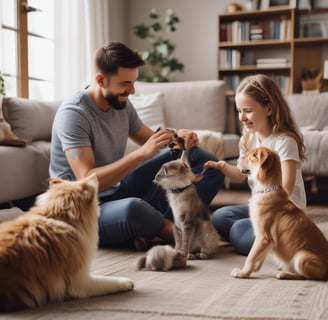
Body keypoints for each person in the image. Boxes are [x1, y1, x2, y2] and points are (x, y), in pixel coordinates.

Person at [50, 41, 225, 250]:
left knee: (204, 161)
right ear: (101, 80)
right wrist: (141, 154)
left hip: (117, 190)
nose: (132, 91)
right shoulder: (74, 114)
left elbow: (154, 141)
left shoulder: (121, 103)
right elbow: (86, 179)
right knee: (133, 210)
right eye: (125, 84)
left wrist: (179, 138)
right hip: (82, 209)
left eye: (133, 83)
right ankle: (173, 232)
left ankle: (159, 226)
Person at [204, 74, 306, 256]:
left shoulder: (284, 141)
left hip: (285, 214)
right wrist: (223, 167)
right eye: (239, 111)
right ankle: (258, 239)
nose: (242, 117)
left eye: (248, 110)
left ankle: (277, 241)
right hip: (260, 209)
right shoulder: (248, 138)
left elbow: (286, 190)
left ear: (268, 108)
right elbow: (240, 174)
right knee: (220, 217)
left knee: (237, 229)